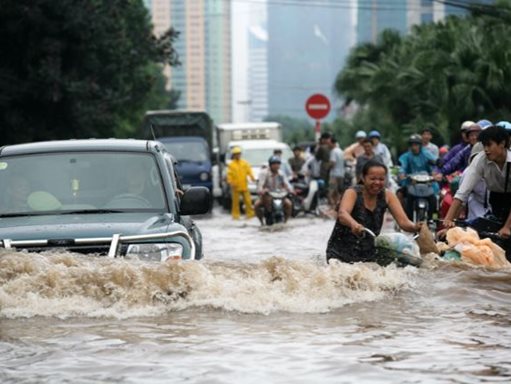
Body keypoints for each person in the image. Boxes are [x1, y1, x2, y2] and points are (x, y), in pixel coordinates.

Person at [326, 160, 421, 264]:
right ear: (363, 178)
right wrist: (354, 224)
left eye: (381, 179)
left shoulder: (388, 195)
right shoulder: (352, 193)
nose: (377, 183)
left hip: (368, 253)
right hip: (339, 253)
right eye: (373, 179)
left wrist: (416, 227)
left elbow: (404, 223)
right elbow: (342, 214)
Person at [442, 126, 511, 256]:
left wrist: (507, 227)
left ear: (502, 144)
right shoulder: (480, 159)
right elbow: (462, 193)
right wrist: (448, 222)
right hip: (496, 201)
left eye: (489, 145)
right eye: (484, 145)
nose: (486, 150)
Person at [397, 134, 439, 219]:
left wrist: (435, 173)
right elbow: (402, 166)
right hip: (411, 182)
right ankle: (404, 218)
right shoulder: (406, 156)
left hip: (427, 183)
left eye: (416, 144)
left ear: (420, 145)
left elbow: (434, 163)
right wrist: (401, 173)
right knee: (401, 195)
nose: (414, 147)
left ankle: (434, 219)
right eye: (412, 145)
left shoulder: (426, 154)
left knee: (435, 199)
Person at [254, 156, 294, 224]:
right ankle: (262, 222)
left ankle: (285, 222)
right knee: (256, 205)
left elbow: (286, 183)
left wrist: (291, 190)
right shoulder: (264, 173)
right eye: (274, 164)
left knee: (289, 204)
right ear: (270, 165)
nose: (276, 166)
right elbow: (260, 184)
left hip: (280, 195)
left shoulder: (281, 173)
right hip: (267, 195)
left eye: (278, 164)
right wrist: (262, 190)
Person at [226, 146, 255, 220]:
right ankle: (235, 216)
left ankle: (250, 214)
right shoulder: (231, 165)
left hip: (244, 185)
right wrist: (230, 182)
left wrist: (252, 178)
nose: (237, 155)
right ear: (233, 155)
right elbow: (229, 174)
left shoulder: (244, 163)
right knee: (235, 203)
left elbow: (249, 171)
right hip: (235, 186)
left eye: (239, 154)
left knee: (248, 201)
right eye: (236, 154)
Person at [328, 137, 345, 207]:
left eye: (329, 143)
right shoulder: (341, 151)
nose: (328, 145)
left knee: (331, 192)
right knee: (338, 192)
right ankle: (337, 206)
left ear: (332, 143)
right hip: (341, 174)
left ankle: (332, 207)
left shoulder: (333, 151)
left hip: (334, 174)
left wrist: (327, 167)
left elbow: (333, 163)